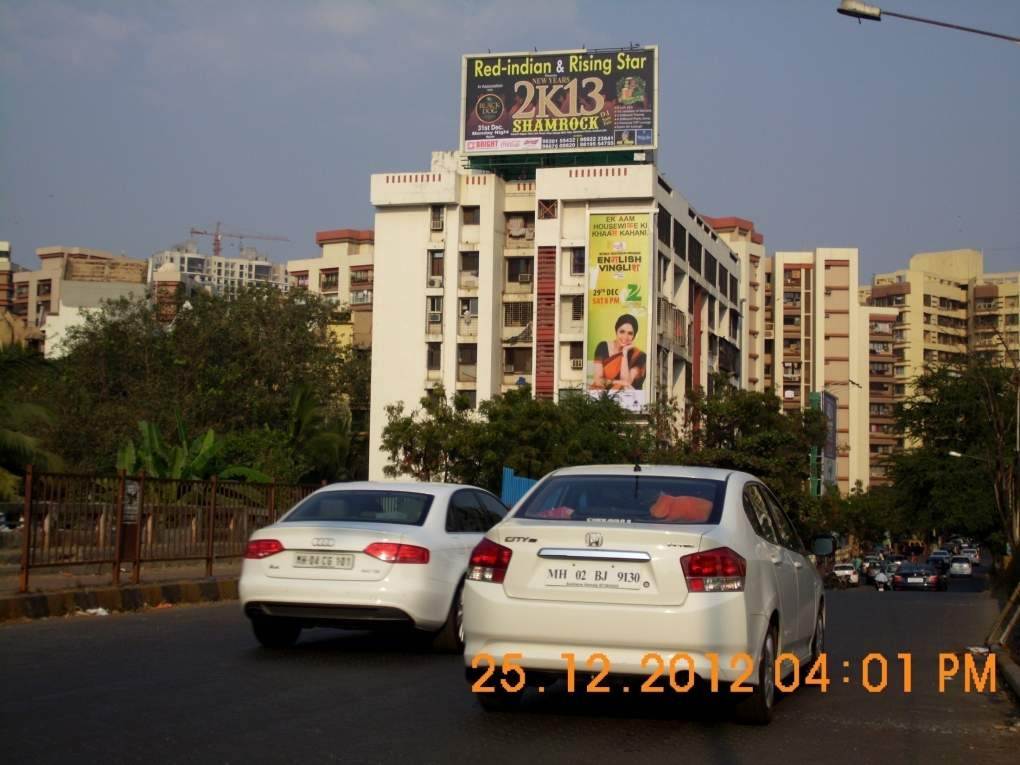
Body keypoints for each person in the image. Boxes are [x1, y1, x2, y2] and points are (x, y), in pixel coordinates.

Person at [592, 314, 647, 391]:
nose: (625, 337)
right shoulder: (603, 347)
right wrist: (616, 382)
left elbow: (626, 383)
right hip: (602, 397)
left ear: (634, 336)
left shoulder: (640, 356)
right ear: (616, 331)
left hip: (628, 399)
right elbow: (597, 380)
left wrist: (624, 353)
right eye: (622, 332)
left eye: (630, 333)